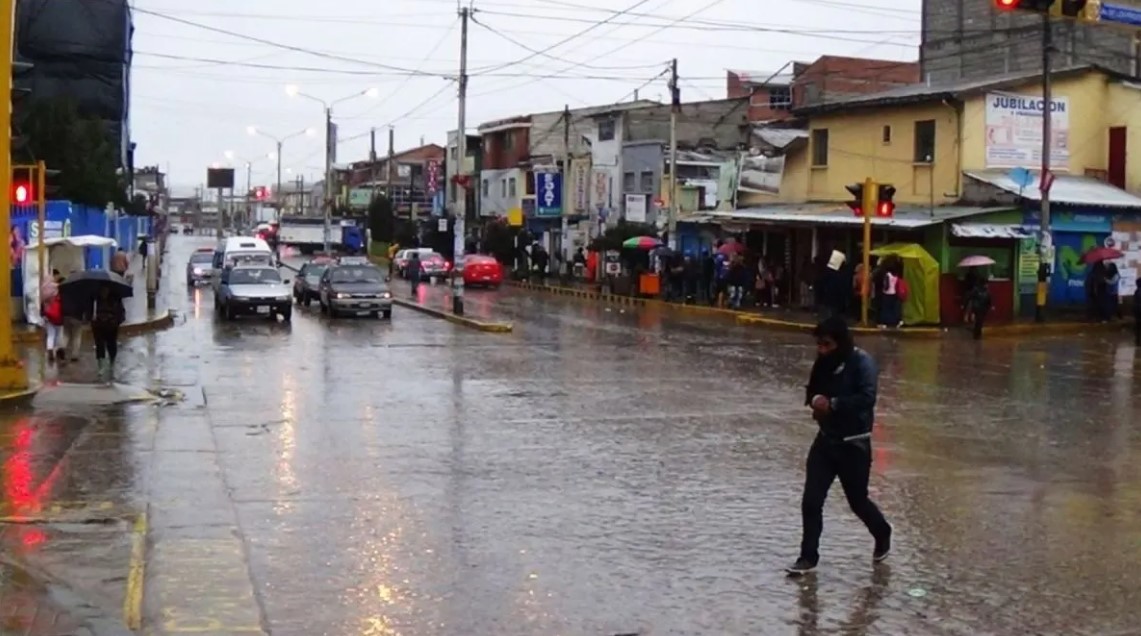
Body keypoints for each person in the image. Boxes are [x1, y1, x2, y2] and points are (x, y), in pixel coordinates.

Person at [789, 316, 893, 576]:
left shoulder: (862, 363)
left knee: (857, 501)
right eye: (819, 345)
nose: (822, 350)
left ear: (840, 342)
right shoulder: (822, 363)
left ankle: (882, 532)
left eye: (826, 344)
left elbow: (867, 398)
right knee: (811, 501)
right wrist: (815, 400)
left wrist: (834, 404)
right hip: (825, 442)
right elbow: (812, 390)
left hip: (853, 445)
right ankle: (808, 557)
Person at [91, 286, 126, 383]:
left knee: (111, 344)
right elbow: (90, 311)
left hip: (111, 326)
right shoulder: (95, 298)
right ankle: (101, 365)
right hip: (98, 325)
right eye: (102, 290)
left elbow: (121, 312)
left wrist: (117, 321)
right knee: (99, 344)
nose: (104, 291)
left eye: (106, 289)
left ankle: (111, 362)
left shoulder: (116, 298)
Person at [40, 274, 64, 361]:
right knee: (58, 334)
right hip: (58, 315)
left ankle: (50, 350)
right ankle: (57, 350)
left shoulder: (43, 290)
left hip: (48, 315)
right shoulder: (56, 288)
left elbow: (42, 304)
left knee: (50, 334)